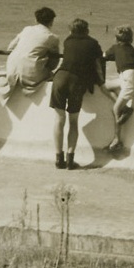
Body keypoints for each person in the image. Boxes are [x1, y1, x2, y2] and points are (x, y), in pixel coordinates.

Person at [50, 18, 104, 169]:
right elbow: (98, 64)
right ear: (87, 30)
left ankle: (58, 158)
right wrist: (101, 83)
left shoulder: (67, 41)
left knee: (59, 119)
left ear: (71, 30)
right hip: (77, 80)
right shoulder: (93, 43)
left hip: (60, 77)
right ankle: (69, 159)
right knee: (73, 121)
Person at [0, 7, 60, 96]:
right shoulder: (52, 37)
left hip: (11, 71)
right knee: (53, 75)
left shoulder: (26, 29)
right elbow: (54, 63)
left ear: (36, 20)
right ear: (52, 21)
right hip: (30, 75)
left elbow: (10, 48)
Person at [102, 25, 134, 152]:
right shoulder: (133, 50)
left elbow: (103, 56)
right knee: (106, 86)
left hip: (128, 78)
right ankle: (126, 109)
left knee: (115, 109)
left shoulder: (115, 48)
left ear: (116, 39)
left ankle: (117, 140)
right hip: (131, 77)